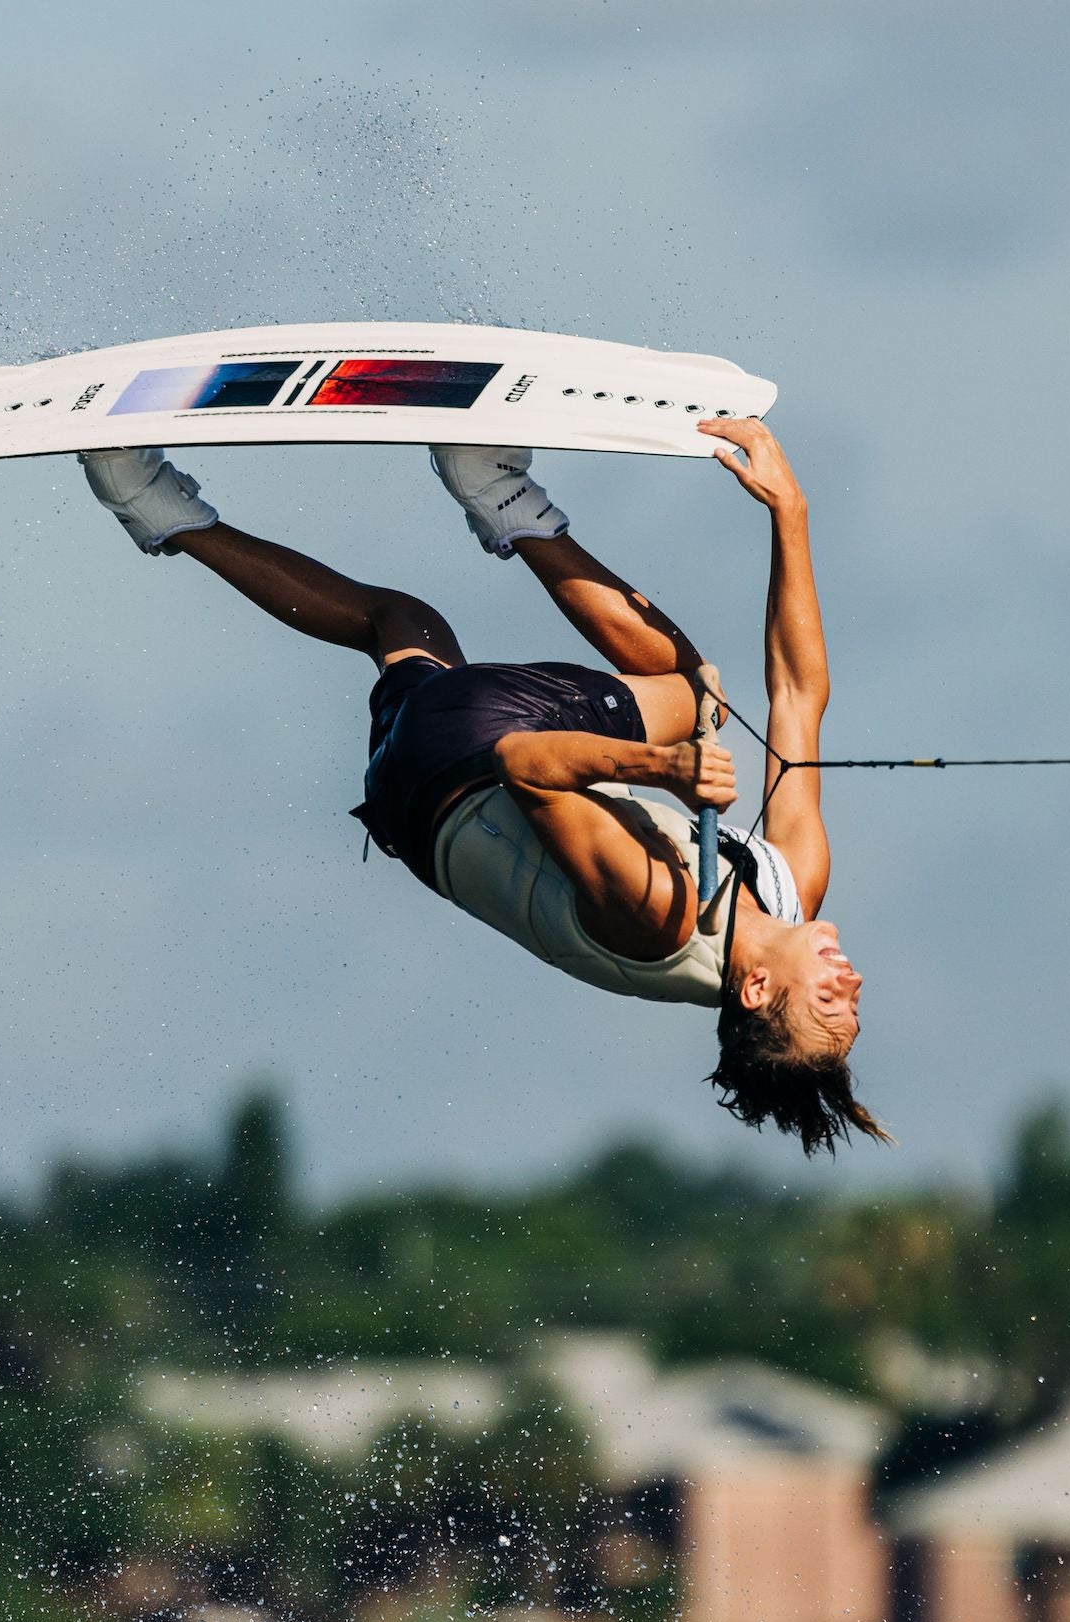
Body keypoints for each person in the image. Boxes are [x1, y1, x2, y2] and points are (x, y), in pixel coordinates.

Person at [80, 416, 886, 1154]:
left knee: (691, 695)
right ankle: (149, 501)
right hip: (410, 800)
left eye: (825, 1003)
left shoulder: (660, 917)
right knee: (399, 624)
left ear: (751, 990)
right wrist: (791, 512)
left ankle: (493, 485)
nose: (847, 982)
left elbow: (528, 768)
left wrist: (664, 765)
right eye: (851, 1006)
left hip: (472, 757)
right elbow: (797, 694)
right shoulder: (790, 884)